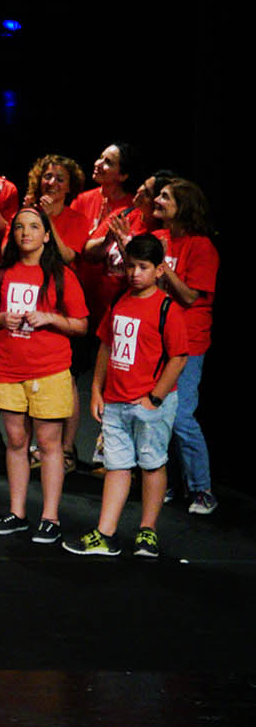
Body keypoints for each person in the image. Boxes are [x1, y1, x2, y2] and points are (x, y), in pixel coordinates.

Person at [70, 235, 187, 558]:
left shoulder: (167, 308)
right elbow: (106, 345)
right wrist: (97, 390)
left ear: (159, 270)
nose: (135, 273)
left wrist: (155, 398)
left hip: (149, 403)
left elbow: (178, 357)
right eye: (131, 266)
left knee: (151, 463)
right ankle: (106, 533)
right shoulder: (120, 301)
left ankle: (147, 530)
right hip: (116, 400)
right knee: (117, 466)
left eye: (143, 267)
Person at [0, 205, 88, 544]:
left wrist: (50, 318)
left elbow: (82, 325)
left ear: (46, 235)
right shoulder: (0, 274)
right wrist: (1, 319)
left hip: (49, 369)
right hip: (8, 368)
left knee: (48, 443)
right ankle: (18, 512)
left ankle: (50, 517)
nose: (25, 233)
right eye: (19, 227)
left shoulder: (61, 275)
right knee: (15, 441)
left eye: (33, 226)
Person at [155, 176, 218, 517]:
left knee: (180, 415)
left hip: (188, 344)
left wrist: (164, 269)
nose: (158, 200)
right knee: (156, 413)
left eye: (166, 197)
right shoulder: (158, 238)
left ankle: (202, 489)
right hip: (158, 339)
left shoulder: (201, 246)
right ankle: (165, 482)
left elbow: (191, 296)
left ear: (183, 208)